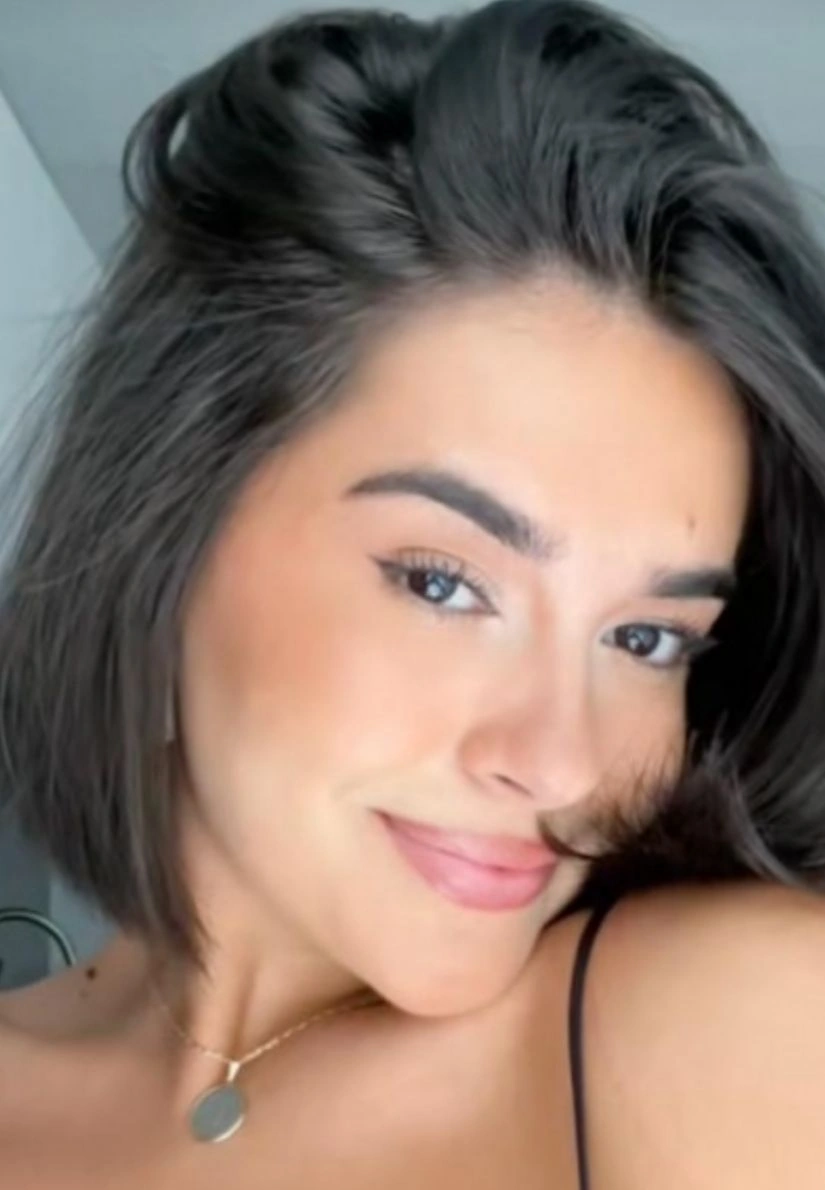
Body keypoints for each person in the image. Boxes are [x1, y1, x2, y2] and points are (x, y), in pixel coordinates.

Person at [1, 0, 825, 1184]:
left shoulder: (722, 1030)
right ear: (165, 522)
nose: (562, 764)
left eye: (648, 637)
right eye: (445, 582)